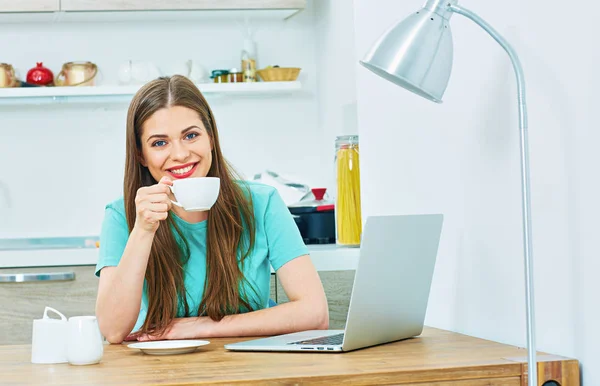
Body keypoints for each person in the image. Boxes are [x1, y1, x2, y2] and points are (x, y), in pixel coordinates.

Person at [95, 75, 328, 344]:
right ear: (141, 155)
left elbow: (315, 312)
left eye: (191, 135)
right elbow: (113, 331)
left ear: (211, 139)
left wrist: (201, 327)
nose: (180, 154)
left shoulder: (262, 203)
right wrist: (144, 230)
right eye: (160, 143)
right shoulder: (122, 215)